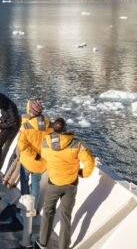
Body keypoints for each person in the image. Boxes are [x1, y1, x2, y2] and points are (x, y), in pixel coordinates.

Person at [37, 118, 95, 249]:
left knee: (47, 212)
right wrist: (82, 173)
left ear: (54, 129)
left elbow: (44, 157)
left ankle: (42, 242)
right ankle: (63, 246)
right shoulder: (76, 144)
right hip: (70, 185)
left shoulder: (45, 144)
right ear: (65, 129)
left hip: (53, 183)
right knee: (65, 216)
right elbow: (90, 162)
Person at [17, 101, 51, 208]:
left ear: (31, 112)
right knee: (36, 185)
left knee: (24, 182)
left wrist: (33, 155)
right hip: (41, 163)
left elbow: (21, 145)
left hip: (28, 161)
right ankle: (33, 208)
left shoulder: (26, 126)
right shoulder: (49, 125)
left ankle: (25, 205)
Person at [0, 93, 20, 171]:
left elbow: (14, 122)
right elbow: (4, 115)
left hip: (10, 128)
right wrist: (0, 121)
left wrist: (1, 126)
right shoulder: (5, 105)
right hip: (6, 124)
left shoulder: (11, 107)